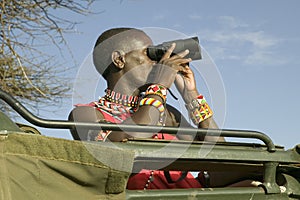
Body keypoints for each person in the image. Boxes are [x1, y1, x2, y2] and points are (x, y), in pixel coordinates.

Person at [68, 27, 257, 189]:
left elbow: (220, 156)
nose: (157, 61)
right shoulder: (84, 114)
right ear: (119, 59)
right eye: (148, 53)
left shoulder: (167, 114)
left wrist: (191, 96)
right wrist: (159, 86)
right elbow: (128, 141)